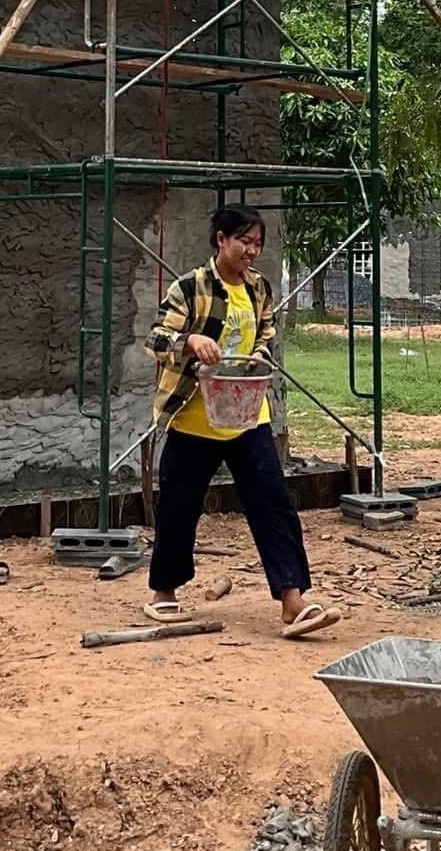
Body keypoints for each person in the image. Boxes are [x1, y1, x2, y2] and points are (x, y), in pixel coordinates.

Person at [144, 205, 340, 641]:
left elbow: (266, 335)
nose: (251, 251)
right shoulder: (190, 288)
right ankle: (164, 590)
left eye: (257, 244)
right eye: (244, 242)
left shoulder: (258, 290)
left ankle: (293, 600)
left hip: (249, 414)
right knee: (180, 505)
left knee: (273, 503)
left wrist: (261, 355)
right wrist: (190, 341)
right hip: (196, 416)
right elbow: (156, 338)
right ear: (221, 241)